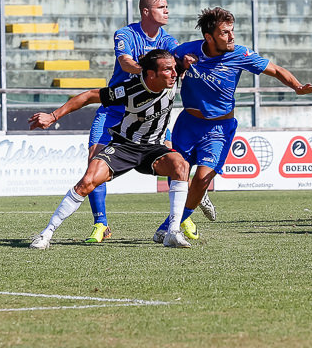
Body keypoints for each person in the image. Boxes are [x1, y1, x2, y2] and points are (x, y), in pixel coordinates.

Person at [151, 7, 312, 242]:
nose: (231, 37)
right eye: (224, 32)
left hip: (219, 129)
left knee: (202, 179)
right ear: (209, 37)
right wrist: (179, 66)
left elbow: (276, 69)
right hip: (188, 124)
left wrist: (298, 87)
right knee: (178, 173)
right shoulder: (185, 50)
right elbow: (160, 70)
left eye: (232, 31)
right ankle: (183, 215)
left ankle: (172, 223)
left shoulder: (239, 54)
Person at [28, 50, 193, 249]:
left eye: (175, 69)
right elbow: (89, 96)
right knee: (88, 181)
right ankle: (46, 234)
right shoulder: (130, 90)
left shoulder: (173, 74)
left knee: (181, 166)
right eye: (168, 70)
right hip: (124, 146)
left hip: (153, 148)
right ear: (151, 74)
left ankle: (172, 233)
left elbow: (199, 54)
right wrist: (53, 116)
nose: (174, 74)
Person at [81, 0, 209, 243]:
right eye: (162, 7)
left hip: (151, 114)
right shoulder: (126, 34)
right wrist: (149, 72)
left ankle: (180, 217)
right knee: (94, 160)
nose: (167, 11)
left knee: (177, 162)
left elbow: (178, 59)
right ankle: (101, 224)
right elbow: (126, 62)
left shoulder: (168, 40)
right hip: (115, 110)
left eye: (167, 6)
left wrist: (185, 62)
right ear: (146, 11)